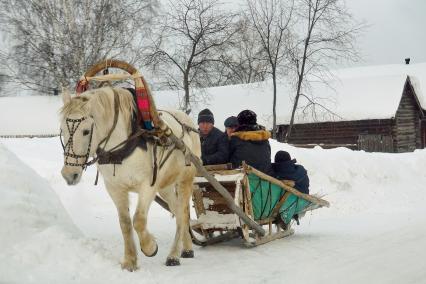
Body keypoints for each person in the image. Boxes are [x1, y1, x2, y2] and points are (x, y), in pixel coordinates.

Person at [229, 110, 274, 175]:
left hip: (242, 178)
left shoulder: (235, 139)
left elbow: (226, 158)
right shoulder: (265, 140)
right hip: (264, 177)